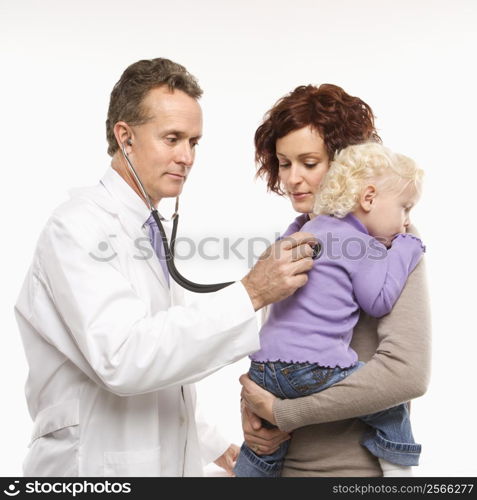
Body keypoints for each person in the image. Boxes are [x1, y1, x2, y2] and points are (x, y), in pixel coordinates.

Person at [13, 58, 317, 477]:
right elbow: (123, 359)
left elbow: (168, 363)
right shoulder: (76, 227)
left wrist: (214, 445)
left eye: (194, 142)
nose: (186, 157)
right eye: (172, 138)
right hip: (90, 469)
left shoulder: (145, 227)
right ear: (126, 137)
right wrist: (252, 292)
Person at [238, 84, 431, 477]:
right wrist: (254, 418)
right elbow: (278, 357)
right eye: (284, 163)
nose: (293, 179)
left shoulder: (394, 245)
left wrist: (284, 413)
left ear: (347, 165)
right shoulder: (284, 247)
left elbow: (406, 373)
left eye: (309, 163)